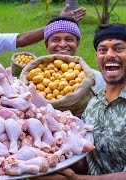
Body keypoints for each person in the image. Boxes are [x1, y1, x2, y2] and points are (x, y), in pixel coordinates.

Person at [33, 23, 126, 180]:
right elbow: (91, 159)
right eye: (103, 50)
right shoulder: (94, 102)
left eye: (119, 49)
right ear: (97, 57)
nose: (109, 55)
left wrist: (75, 179)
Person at [43, 16, 106, 93]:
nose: (63, 44)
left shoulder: (96, 78)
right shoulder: (33, 78)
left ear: (77, 44)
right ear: (47, 45)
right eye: (56, 40)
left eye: (69, 39)